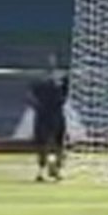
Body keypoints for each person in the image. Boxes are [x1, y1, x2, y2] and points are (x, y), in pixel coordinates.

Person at [29, 54, 69, 182]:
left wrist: (60, 101)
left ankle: (58, 170)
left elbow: (66, 92)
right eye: (47, 60)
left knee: (59, 143)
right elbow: (29, 95)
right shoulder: (38, 79)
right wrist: (37, 105)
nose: (50, 62)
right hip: (42, 114)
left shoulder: (62, 77)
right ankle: (40, 171)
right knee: (42, 143)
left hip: (56, 113)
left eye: (53, 60)